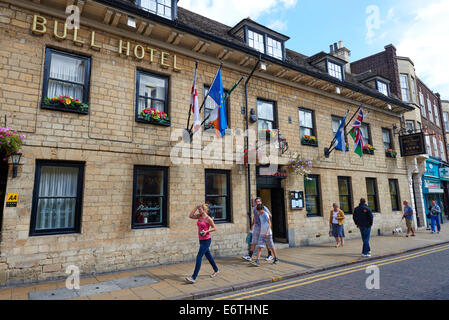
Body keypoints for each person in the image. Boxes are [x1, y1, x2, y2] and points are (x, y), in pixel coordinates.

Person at [185, 204, 219, 283]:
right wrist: (195, 207)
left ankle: (193, 277)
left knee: (199, 257)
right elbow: (190, 216)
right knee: (208, 256)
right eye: (199, 209)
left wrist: (206, 231)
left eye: (200, 209)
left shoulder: (208, 219)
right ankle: (216, 270)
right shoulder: (199, 216)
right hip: (201, 240)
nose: (199, 211)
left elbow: (214, 228)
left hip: (207, 240)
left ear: (204, 210)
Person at [242, 197, 273, 261]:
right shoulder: (254, 209)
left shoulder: (264, 208)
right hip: (257, 227)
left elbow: (270, 215)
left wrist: (264, 212)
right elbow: (254, 217)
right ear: (255, 203)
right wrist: (252, 226)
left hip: (263, 227)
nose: (257, 203)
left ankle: (270, 255)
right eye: (256, 202)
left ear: (261, 202)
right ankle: (250, 256)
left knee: (267, 241)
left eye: (259, 201)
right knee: (254, 240)